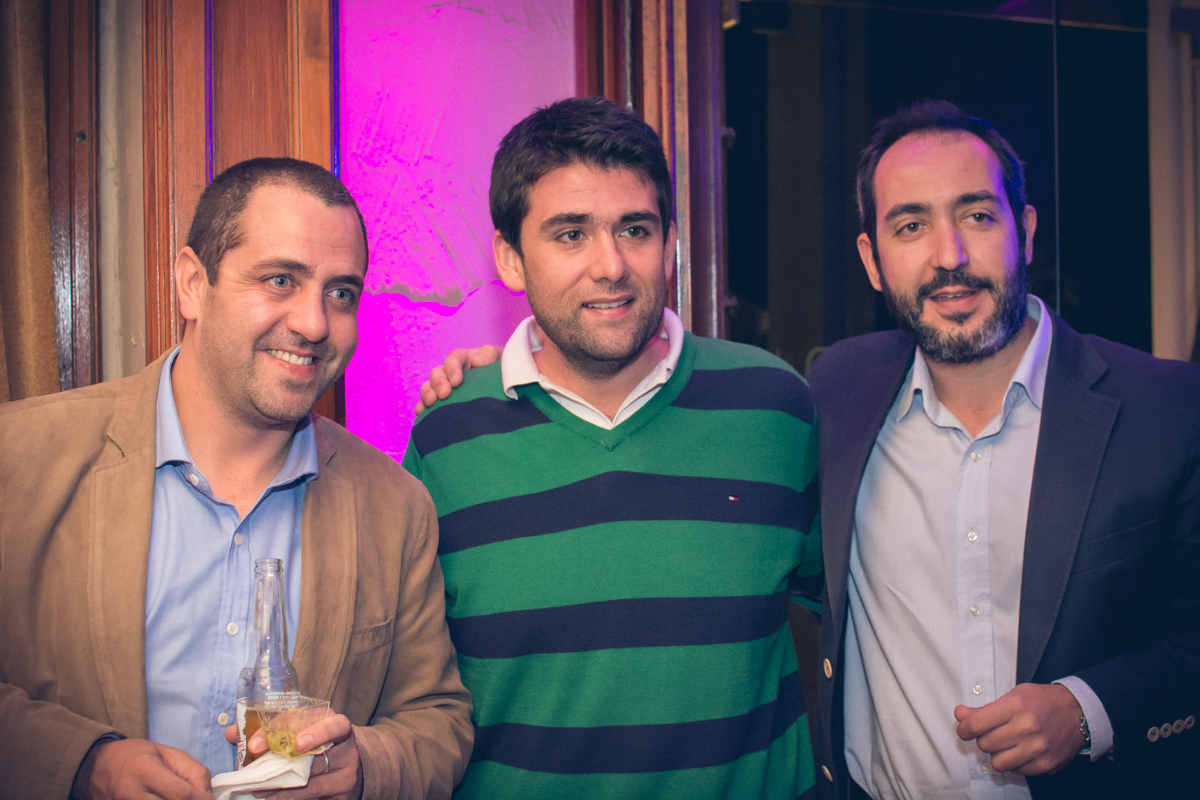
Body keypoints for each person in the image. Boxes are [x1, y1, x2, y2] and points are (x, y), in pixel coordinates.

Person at [0, 157, 473, 800]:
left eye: (340, 293)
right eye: (280, 280)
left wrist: (366, 766)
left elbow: (437, 720)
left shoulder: (396, 506)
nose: (314, 324)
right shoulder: (19, 460)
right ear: (193, 284)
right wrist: (84, 765)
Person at [403, 96, 823, 799]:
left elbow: (871, 616)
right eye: (571, 234)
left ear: (670, 243)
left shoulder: (775, 409)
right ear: (510, 259)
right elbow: (410, 693)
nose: (611, 265)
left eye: (634, 229)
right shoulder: (447, 439)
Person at [805, 100, 1200, 799]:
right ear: (872, 260)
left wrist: (1089, 709)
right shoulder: (838, 390)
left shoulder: (1166, 409)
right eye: (911, 225)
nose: (949, 256)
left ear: (1026, 229)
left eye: (978, 216)